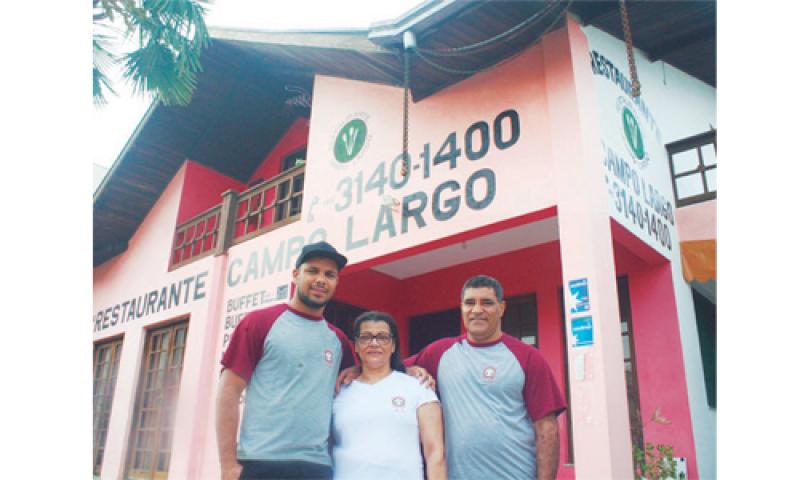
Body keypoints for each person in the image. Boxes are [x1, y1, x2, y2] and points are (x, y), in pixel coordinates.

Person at [216, 241, 355, 480]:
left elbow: (371, 377)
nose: (321, 279)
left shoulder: (339, 341)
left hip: (317, 467)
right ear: (295, 275)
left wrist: (413, 368)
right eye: (312, 271)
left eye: (329, 274)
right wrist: (228, 465)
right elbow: (228, 392)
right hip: (261, 463)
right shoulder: (259, 323)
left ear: (336, 283)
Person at [408, 275, 567, 480]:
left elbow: (546, 429)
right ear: (462, 308)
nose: (476, 310)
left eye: (487, 303)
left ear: (501, 308)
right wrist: (410, 369)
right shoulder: (439, 353)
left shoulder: (527, 357)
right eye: (469, 303)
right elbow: (389, 368)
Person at [331, 311, 447, 480]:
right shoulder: (339, 391)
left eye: (383, 337)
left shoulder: (419, 387)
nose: (374, 343)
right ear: (355, 345)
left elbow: (435, 454)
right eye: (365, 337)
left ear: (393, 345)